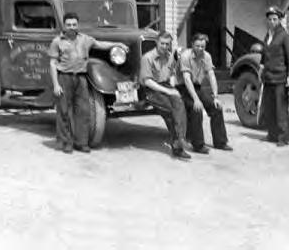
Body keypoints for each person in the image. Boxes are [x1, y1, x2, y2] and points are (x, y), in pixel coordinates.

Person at [49, 12, 129, 154]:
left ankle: (81, 143)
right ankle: (66, 142)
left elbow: (100, 44)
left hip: (81, 78)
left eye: (74, 24)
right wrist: (56, 84)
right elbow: (53, 63)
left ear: (77, 25)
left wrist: (117, 44)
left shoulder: (85, 39)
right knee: (64, 111)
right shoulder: (57, 42)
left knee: (84, 111)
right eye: (68, 25)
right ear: (64, 25)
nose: (71, 27)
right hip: (64, 77)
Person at [139, 31, 191, 160]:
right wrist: (168, 92)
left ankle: (180, 140)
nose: (164, 46)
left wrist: (172, 88)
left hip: (165, 86)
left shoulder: (170, 56)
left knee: (179, 102)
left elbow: (172, 73)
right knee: (171, 110)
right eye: (162, 43)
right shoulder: (147, 58)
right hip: (151, 89)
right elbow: (147, 81)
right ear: (156, 42)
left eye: (167, 44)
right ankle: (178, 143)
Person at [177, 33, 232, 153]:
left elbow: (211, 75)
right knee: (196, 109)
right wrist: (196, 100)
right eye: (197, 46)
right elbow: (186, 79)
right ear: (192, 45)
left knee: (216, 107)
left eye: (203, 46)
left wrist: (216, 96)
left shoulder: (207, 56)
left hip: (196, 86)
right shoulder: (185, 56)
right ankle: (198, 145)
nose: (200, 49)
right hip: (182, 87)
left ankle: (220, 142)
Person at [260, 6, 289, 147]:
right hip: (268, 77)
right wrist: (261, 66)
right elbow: (265, 54)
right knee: (269, 108)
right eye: (269, 19)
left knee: (281, 110)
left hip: (280, 77)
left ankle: (283, 137)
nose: (272, 21)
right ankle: (272, 134)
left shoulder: (285, 36)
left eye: (275, 19)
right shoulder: (268, 35)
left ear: (280, 20)